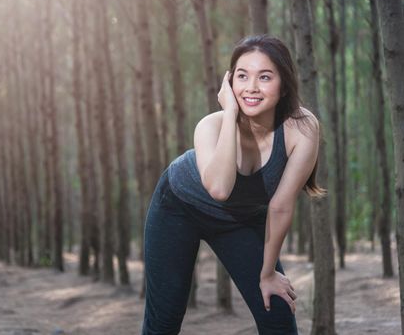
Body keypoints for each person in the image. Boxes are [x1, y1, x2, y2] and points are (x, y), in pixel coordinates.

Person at [140, 34, 326, 335]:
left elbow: (280, 206)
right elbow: (220, 190)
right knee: (163, 322)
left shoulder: (301, 127)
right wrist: (230, 113)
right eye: (242, 76)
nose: (251, 87)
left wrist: (267, 274)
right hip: (177, 209)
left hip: (242, 219)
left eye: (264, 77)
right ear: (229, 82)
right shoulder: (210, 126)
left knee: (278, 313)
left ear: (283, 83)